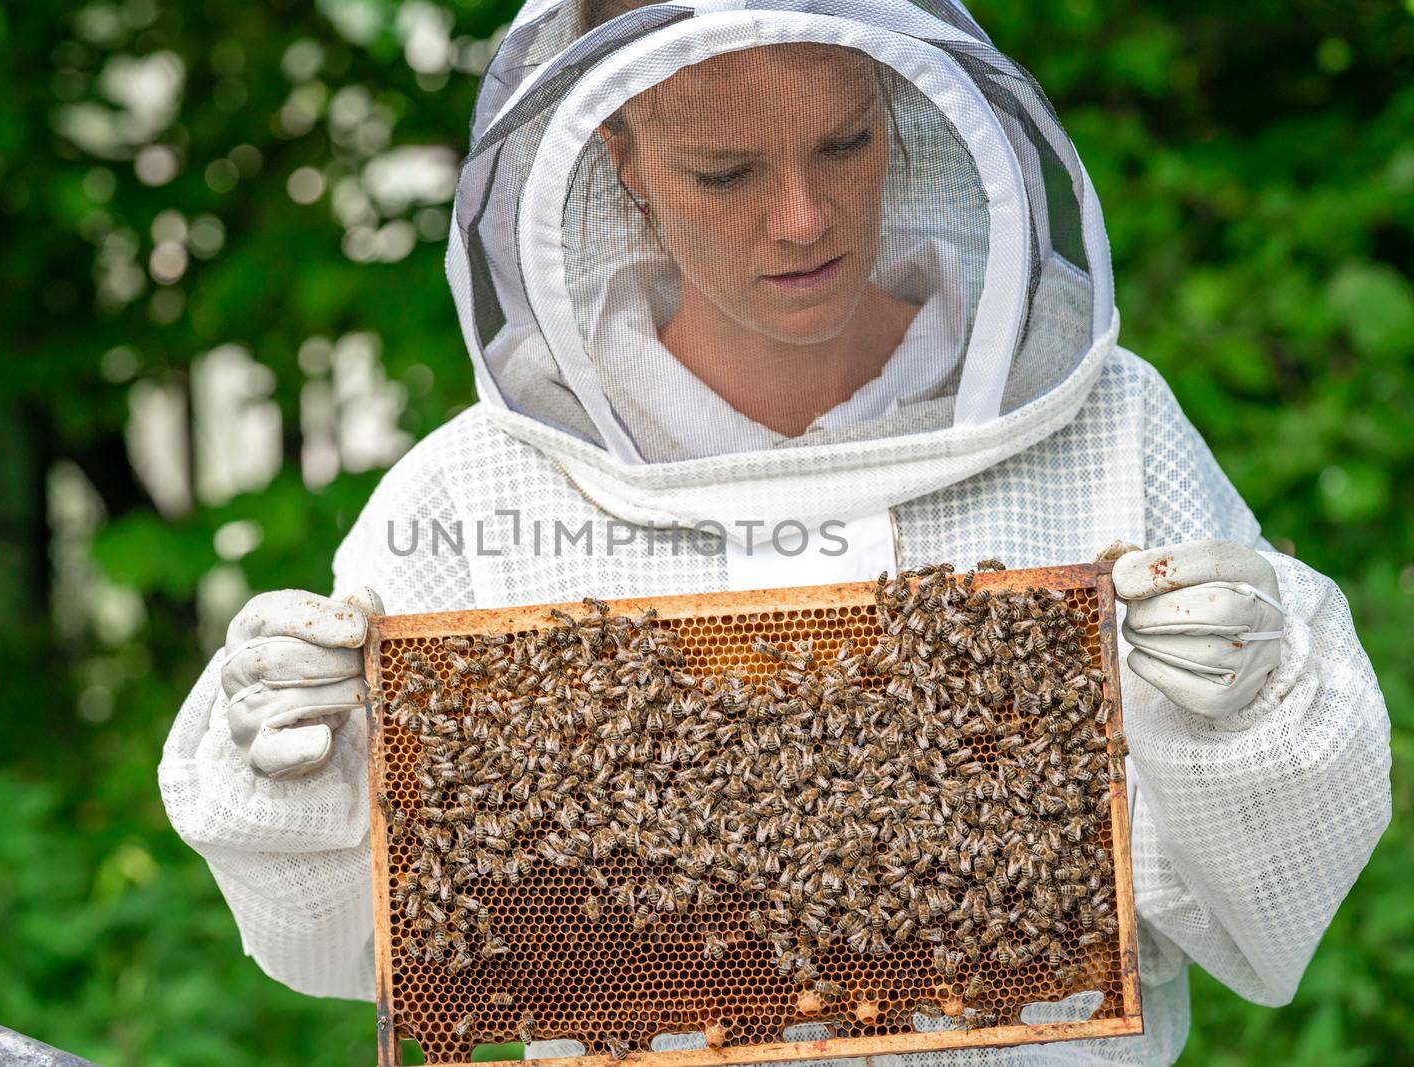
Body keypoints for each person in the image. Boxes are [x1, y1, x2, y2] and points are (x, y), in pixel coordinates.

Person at [157, 2, 1391, 1064]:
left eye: (844, 143)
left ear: (905, 110)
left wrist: (1242, 717)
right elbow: (342, 942)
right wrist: (300, 768)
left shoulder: (1107, 432)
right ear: (617, 155)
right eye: (724, 170)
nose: (802, 217)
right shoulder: (471, 499)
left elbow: (1257, 914)